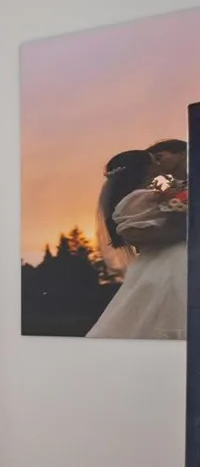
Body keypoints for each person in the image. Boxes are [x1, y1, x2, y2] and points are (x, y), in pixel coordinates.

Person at [87, 144, 188, 339]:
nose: (160, 165)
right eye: (155, 161)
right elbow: (143, 232)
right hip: (168, 264)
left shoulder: (155, 195)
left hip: (157, 264)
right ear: (147, 169)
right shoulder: (143, 199)